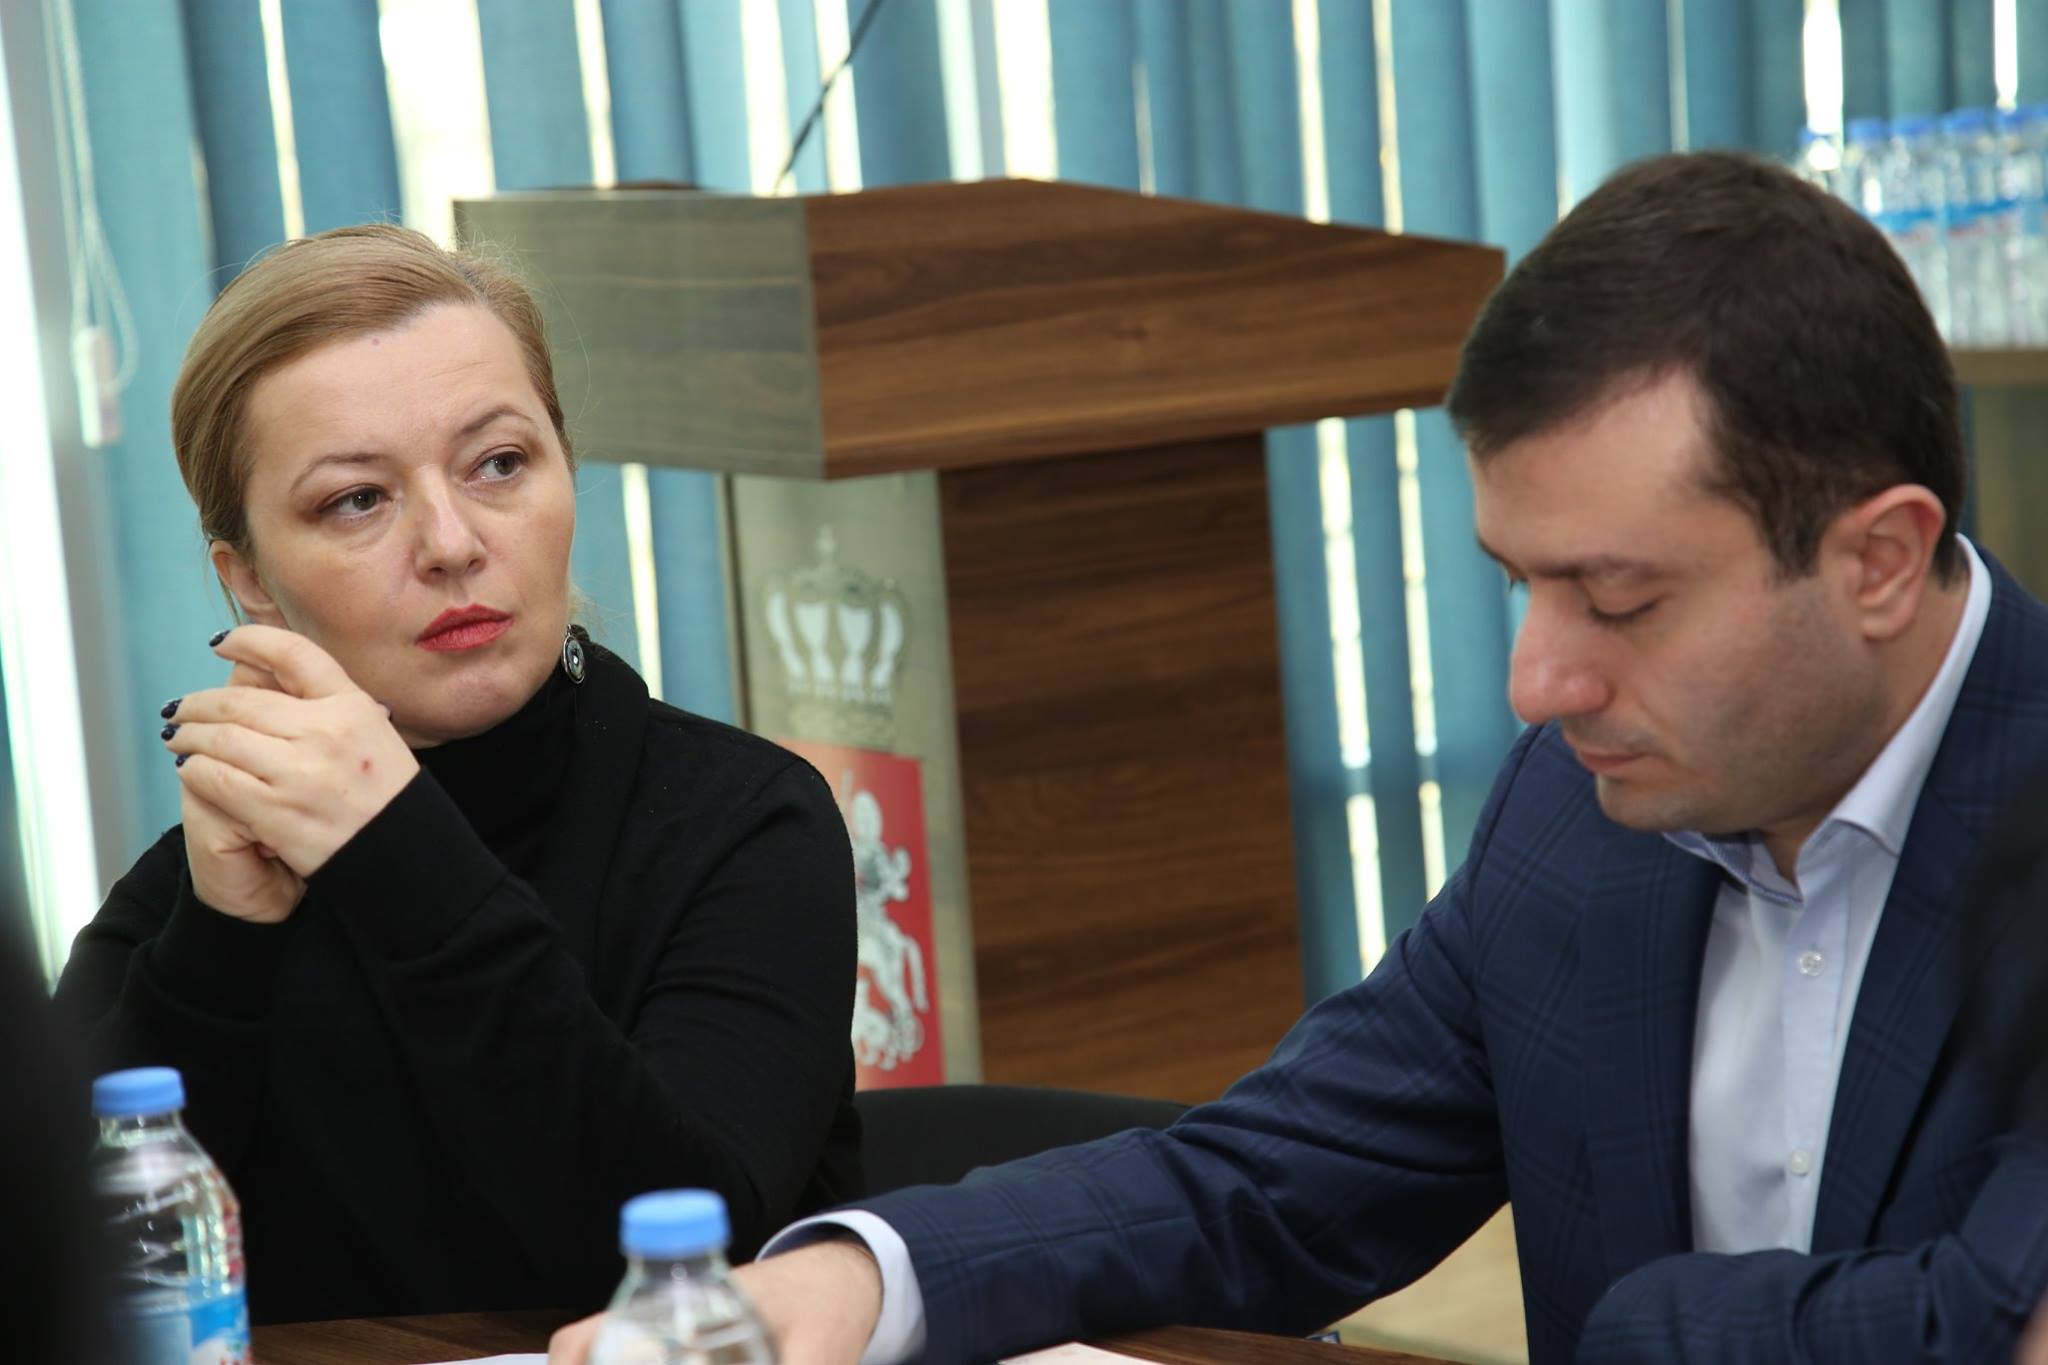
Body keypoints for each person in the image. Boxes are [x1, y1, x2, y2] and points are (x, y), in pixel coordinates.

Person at [546, 150, 2048, 1364]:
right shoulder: (1578, 807)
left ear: (1877, 560)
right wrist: (866, 1279)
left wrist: (1620, 1326)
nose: (1536, 683)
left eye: (1616, 598)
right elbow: (1266, 1181)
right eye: (1516, 583)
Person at [52, 224, 862, 1324]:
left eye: (499, 464)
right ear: (250, 581)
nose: (451, 542)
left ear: (566, 473)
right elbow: (63, 1284)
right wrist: (219, 945)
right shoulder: (183, 898)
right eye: (357, 499)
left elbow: (680, 1264)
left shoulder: (746, 822)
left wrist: (399, 853)